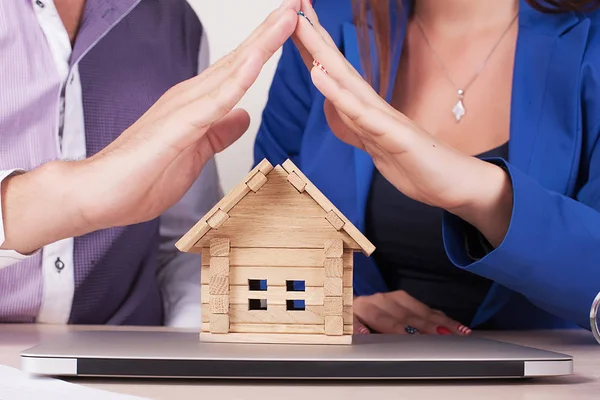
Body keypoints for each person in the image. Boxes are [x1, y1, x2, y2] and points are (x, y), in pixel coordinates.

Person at [255, 0, 600, 335]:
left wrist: (483, 193)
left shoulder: (590, 39)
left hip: (559, 386)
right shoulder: (321, 27)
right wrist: (326, 306)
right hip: (355, 381)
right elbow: (262, 238)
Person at [0, 0, 300, 325]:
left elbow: (182, 246)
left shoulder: (175, 22)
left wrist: (191, 357)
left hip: (128, 360)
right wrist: (65, 199)